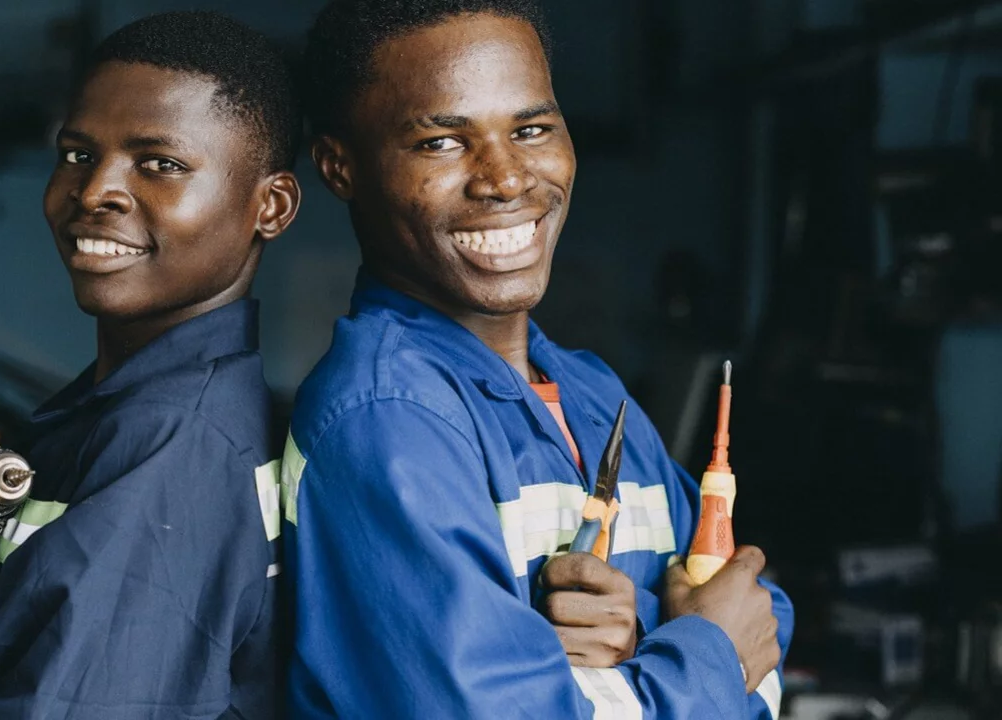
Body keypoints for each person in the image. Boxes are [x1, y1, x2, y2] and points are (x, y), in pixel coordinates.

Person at [280, 0, 793, 717]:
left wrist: (646, 626)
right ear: (340, 167)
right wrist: (709, 655)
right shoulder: (386, 421)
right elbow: (733, 644)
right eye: (441, 142)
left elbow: (760, 615)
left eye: (530, 130)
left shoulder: (591, 392)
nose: (506, 178)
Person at [0, 11, 302, 718]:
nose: (95, 190)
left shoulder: (166, 444)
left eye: (160, 163)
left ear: (271, 206)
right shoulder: (135, 412)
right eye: (77, 154)